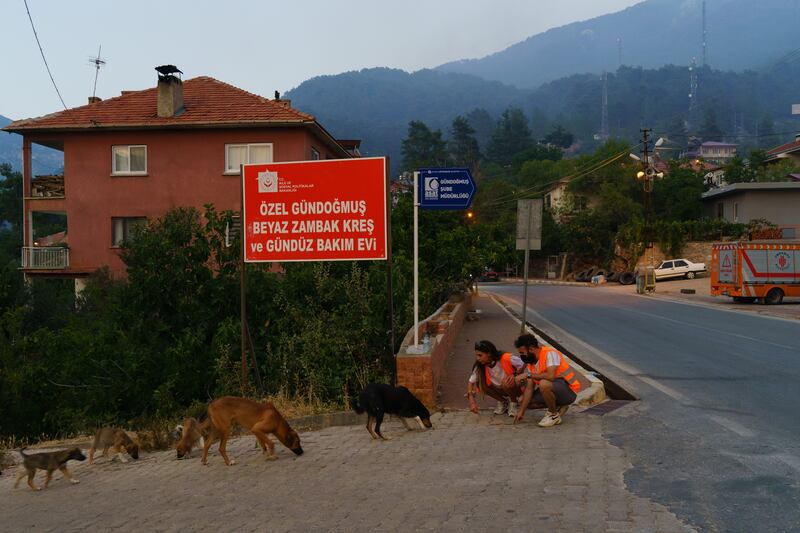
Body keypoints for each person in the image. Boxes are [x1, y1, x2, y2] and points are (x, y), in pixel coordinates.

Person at [512, 333, 581, 427]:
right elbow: (529, 389)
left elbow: (550, 376)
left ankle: (553, 415)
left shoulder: (550, 353)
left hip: (569, 391)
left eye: (522, 353)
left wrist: (527, 374)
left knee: (544, 384)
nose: (522, 356)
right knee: (522, 401)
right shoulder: (531, 363)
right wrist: (521, 411)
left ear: (531, 349)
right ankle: (558, 406)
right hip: (553, 389)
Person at [466, 340, 526, 417]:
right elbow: (471, 382)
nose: (477, 358)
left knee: (506, 382)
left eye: (480, 355)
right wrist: (472, 401)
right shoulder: (480, 365)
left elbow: (523, 363)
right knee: (480, 385)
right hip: (499, 388)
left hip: (514, 386)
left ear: (489, 354)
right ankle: (503, 402)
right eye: (476, 355)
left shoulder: (507, 357)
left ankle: (513, 403)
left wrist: (515, 374)